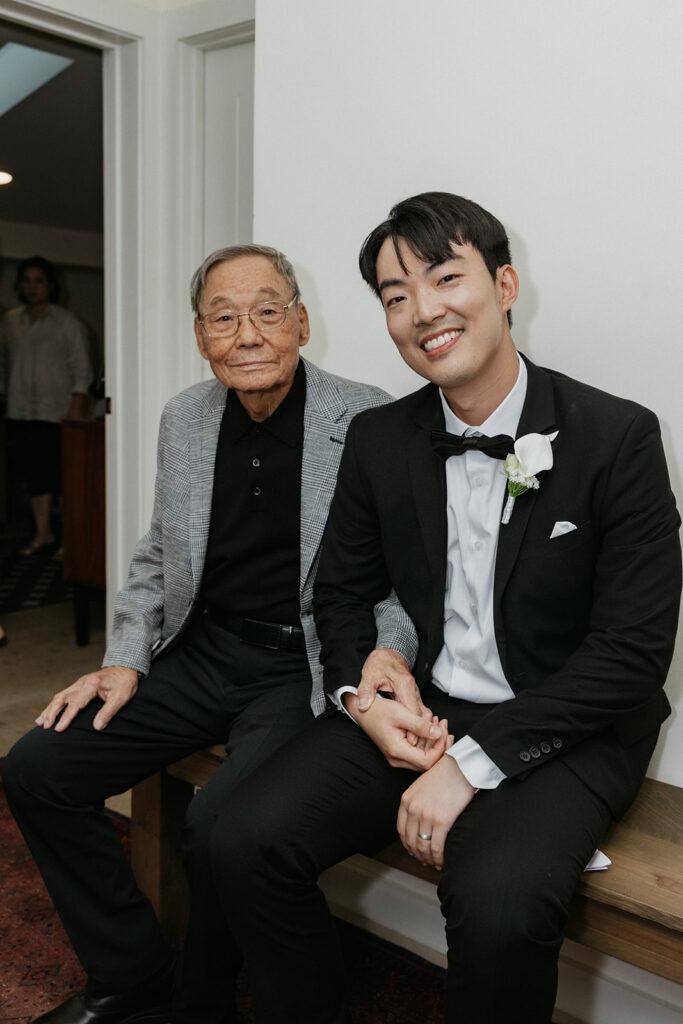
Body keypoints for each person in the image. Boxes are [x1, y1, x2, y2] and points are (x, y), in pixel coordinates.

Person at [210, 194, 682, 1024]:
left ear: (504, 285)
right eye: (395, 295)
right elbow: (341, 595)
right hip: (425, 708)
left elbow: (630, 656)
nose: (422, 310)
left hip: (566, 724)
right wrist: (365, 692)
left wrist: (468, 765)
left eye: (444, 276)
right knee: (239, 838)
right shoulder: (379, 439)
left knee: (499, 904)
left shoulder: (618, 437)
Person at [3, 244, 416, 1024]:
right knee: (36, 769)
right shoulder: (184, 416)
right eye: (223, 318)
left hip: (304, 664)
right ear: (200, 337)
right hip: (199, 650)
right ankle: (132, 970)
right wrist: (124, 660)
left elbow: (398, 580)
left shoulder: (365, 418)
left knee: (216, 822)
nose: (247, 334)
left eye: (266, 312)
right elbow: (159, 552)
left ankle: (199, 1003)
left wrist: (376, 670)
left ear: (300, 321)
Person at [0, 256, 91, 554]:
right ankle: (44, 534)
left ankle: (70, 541)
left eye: (39, 280)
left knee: (63, 479)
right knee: (35, 477)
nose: (32, 287)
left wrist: (76, 409)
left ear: (50, 285)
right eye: (26, 280)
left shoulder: (67, 322)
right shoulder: (10, 321)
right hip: (20, 412)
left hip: (58, 413)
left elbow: (82, 369)